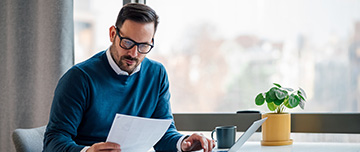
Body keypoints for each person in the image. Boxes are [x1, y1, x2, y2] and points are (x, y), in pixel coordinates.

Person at [43, 3, 215, 152]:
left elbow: (163, 134)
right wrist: (87, 150)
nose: (133, 53)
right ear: (112, 34)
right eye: (127, 42)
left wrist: (183, 143)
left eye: (143, 46)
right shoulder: (79, 78)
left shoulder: (157, 74)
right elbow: (53, 142)